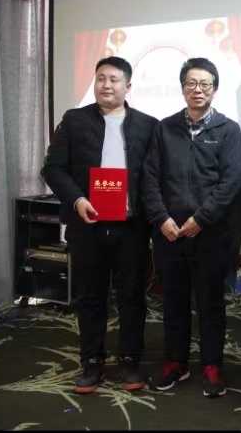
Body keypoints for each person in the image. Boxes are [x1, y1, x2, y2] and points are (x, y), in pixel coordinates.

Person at [41, 56, 158, 394]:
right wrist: (78, 199)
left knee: (132, 295)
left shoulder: (148, 125)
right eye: (101, 78)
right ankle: (92, 361)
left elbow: (153, 175)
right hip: (87, 224)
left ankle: (130, 360)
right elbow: (53, 169)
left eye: (114, 79)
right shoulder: (74, 121)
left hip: (131, 226)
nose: (106, 85)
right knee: (90, 295)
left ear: (128, 86)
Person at [142, 57, 241, 398]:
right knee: (172, 300)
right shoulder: (164, 128)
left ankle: (213, 364)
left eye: (204, 84)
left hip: (210, 233)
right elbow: (150, 178)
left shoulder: (228, 130)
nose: (197, 89)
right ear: (182, 87)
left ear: (214, 89)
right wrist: (162, 218)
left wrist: (200, 219)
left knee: (210, 301)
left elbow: (231, 182)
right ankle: (176, 361)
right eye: (191, 83)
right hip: (170, 232)